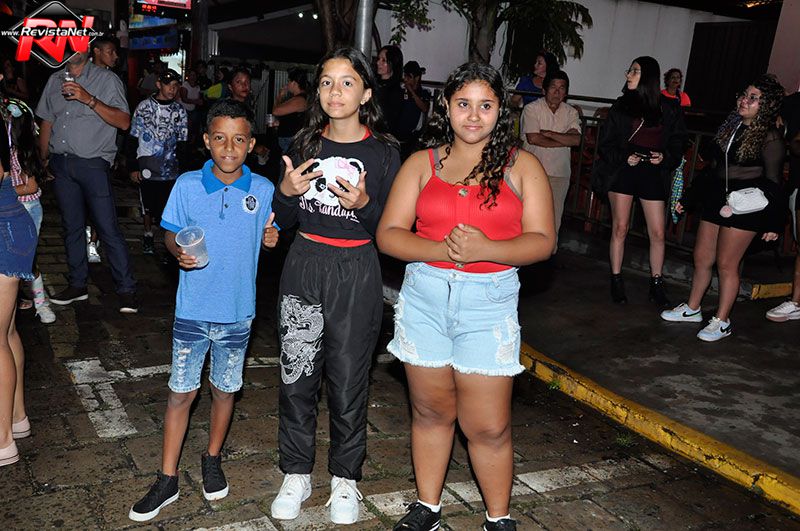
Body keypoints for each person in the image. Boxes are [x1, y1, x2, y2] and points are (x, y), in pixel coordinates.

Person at [377, 62, 555, 531]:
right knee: (431, 412)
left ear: (501, 110)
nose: (473, 116)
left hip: (488, 304)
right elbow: (389, 234)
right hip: (424, 298)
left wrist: (487, 249)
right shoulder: (421, 164)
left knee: (488, 426)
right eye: (463, 104)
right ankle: (428, 508)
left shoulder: (522, 166)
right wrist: (444, 250)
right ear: (446, 106)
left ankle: (498, 519)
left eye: (485, 105)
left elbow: (542, 241)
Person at [128, 99, 278, 521]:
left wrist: (271, 240)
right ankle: (167, 477)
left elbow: (270, 232)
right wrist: (177, 251)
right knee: (181, 393)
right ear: (207, 141)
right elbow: (170, 233)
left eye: (239, 139)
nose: (229, 148)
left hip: (238, 312)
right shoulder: (188, 185)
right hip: (192, 310)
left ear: (251, 144)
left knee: (225, 390)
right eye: (220, 138)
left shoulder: (263, 189)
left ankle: (212, 457)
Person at [269, 47, 400, 525]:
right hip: (305, 264)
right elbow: (283, 219)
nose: (335, 91)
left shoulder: (385, 153)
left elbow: (391, 231)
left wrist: (364, 204)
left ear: (365, 93)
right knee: (297, 375)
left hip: (357, 269)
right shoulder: (303, 143)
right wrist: (284, 194)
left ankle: (346, 479)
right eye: (326, 82)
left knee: (348, 380)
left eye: (347, 82)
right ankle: (296, 472)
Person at [661, 74, 786, 340]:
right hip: (717, 199)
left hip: (746, 206)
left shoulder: (770, 137)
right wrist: (689, 197)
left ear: (766, 105)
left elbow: (775, 182)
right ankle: (692, 309)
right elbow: (713, 169)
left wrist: (774, 223)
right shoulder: (731, 127)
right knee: (702, 258)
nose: (744, 100)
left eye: (753, 98)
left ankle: (722, 320)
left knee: (727, 264)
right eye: (744, 95)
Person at [35, 50, 138, 313]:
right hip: (61, 164)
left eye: (79, 42)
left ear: (88, 47)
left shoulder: (107, 79)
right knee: (72, 227)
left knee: (107, 227)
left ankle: (126, 290)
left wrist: (89, 99)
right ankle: (77, 285)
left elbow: (124, 122)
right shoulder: (55, 79)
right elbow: (47, 121)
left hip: (93, 164)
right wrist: (43, 160)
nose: (73, 48)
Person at [591, 56, 687, 306]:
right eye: (630, 70)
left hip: (652, 171)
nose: (628, 75)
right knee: (620, 227)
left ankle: (656, 284)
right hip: (623, 169)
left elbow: (678, 142)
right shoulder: (621, 105)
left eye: (634, 71)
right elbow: (606, 143)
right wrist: (625, 156)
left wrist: (665, 157)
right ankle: (616, 280)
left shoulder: (669, 108)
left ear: (648, 77)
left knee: (657, 232)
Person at [0, 102, 36, 469]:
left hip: (4, 229)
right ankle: (17, 418)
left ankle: (3, 441)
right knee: (7, 332)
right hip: (13, 225)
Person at [128, 68, 188, 255]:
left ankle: (168, 241)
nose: (172, 89)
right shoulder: (144, 107)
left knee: (169, 205)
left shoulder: (179, 110)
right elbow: (132, 138)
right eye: (168, 85)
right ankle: (148, 235)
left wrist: (184, 169)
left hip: (170, 168)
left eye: (175, 85)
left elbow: (183, 142)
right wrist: (132, 167)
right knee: (147, 204)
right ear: (158, 84)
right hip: (147, 166)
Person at [8, 97, 56, 324]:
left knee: (28, 261)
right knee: (10, 260)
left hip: (27, 210)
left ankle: (41, 303)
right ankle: (15, 299)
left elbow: (30, 187)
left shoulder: (22, 153)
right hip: (10, 209)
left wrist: (5, 191)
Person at [521, 69, 581, 247]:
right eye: (553, 87)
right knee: (527, 215)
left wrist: (550, 134)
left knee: (554, 217)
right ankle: (524, 252)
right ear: (544, 89)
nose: (557, 91)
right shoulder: (532, 109)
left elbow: (576, 140)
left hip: (559, 172)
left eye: (562, 88)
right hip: (532, 172)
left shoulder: (571, 112)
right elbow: (534, 138)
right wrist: (563, 139)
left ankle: (548, 252)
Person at [396, 60, 431, 160]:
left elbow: (424, 108)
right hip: (398, 132)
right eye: (405, 76)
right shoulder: (401, 91)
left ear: (417, 78)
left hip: (413, 134)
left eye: (409, 77)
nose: (406, 79)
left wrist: (411, 91)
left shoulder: (424, 93)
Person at [273, 67, 309, 154]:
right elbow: (295, 119)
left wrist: (280, 96)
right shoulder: (298, 99)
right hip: (289, 140)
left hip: (290, 141)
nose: (287, 84)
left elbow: (275, 111)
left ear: (294, 83)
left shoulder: (299, 100)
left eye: (288, 81)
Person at [376, 44, 404, 137]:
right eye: (379, 59)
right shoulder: (373, 83)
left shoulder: (395, 91)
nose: (378, 63)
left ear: (392, 63)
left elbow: (390, 120)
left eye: (383, 60)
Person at [179, 69, 203, 145]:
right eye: (191, 75)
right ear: (188, 76)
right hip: (184, 109)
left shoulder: (197, 87)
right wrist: (196, 101)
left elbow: (198, 99)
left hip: (192, 109)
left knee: (193, 127)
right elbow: (184, 99)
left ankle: (190, 143)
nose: (193, 77)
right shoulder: (185, 85)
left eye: (194, 75)